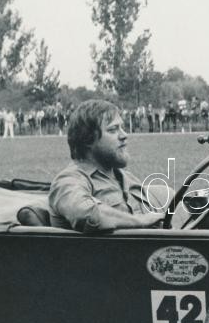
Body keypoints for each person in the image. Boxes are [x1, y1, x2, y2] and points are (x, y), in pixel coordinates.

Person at [49, 99, 167, 233]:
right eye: (113, 130)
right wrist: (141, 221)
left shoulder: (129, 179)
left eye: (122, 128)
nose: (124, 135)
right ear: (88, 139)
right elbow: (89, 215)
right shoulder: (69, 180)